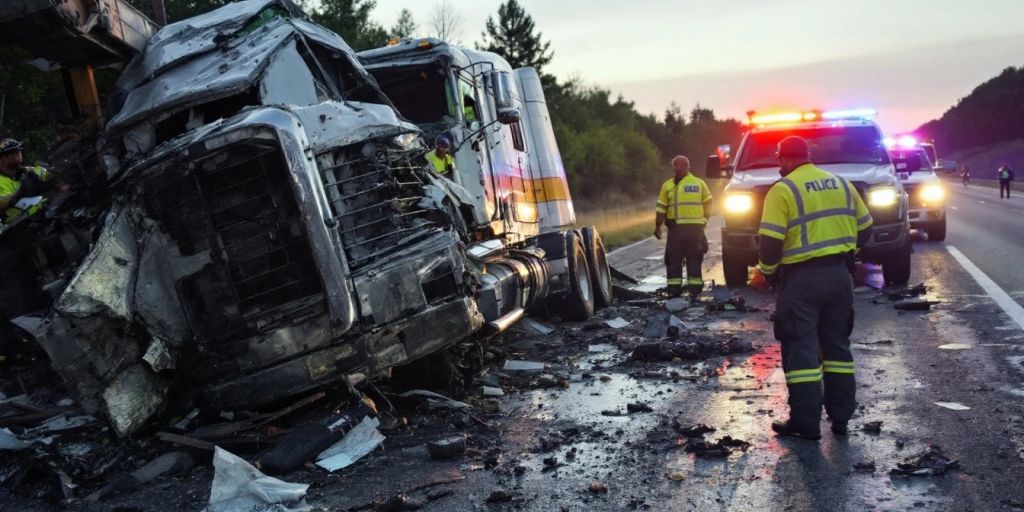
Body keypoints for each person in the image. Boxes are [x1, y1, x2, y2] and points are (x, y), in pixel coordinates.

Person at [757, 136, 874, 440]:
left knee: (802, 349)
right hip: (839, 276)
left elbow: (769, 244)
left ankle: (806, 424)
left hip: (801, 281)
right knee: (837, 347)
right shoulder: (841, 184)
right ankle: (841, 419)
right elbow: (866, 228)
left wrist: (769, 273)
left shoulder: (783, 190)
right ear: (808, 156)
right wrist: (845, 252)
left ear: (783, 159)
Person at [653, 155, 712, 299]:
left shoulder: (698, 183)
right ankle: (678, 289)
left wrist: (703, 220)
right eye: (677, 165)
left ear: (688, 167)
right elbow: (661, 208)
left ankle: (691, 289)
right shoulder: (669, 185)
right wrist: (658, 226)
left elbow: (708, 204)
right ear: (673, 167)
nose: (679, 168)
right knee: (677, 259)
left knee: (690, 258)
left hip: (688, 230)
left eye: (682, 165)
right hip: (678, 229)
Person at [0, 138, 60, 224]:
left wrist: (54, 173)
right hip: (18, 225)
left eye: (17, 151)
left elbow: (51, 176)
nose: (16, 155)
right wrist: (20, 193)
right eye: (9, 154)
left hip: (44, 215)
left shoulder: (30, 170)